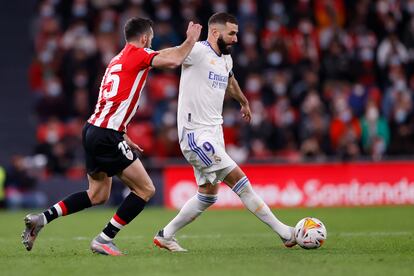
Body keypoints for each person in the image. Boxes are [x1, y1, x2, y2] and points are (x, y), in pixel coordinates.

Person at [22, 17, 202, 256]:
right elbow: (175, 59)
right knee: (145, 190)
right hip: (106, 134)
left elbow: (113, 100)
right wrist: (190, 40)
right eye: (151, 41)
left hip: (93, 130)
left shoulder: (116, 60)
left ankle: (42, 219)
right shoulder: (138, 54)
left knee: (97, 194)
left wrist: (123, 132)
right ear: (146, 38)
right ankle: (104, 239)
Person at [153, 13, 296, 252]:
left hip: (214, 132)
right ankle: (286, 233)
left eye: (237, 33)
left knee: (208, 195)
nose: (237, 39)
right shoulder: (197, 51)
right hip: (195, 135)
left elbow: (230, 81)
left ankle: (165, 236)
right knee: (240, 181)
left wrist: (243, 101)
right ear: (216, 32)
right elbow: (167, 58)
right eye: (232, 33)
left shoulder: (225, 59)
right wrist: (185, 42)